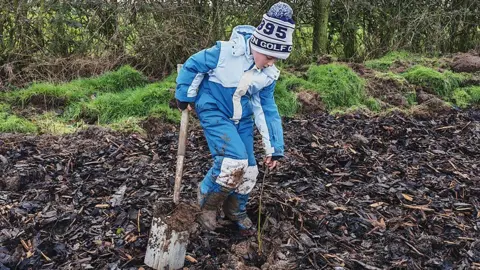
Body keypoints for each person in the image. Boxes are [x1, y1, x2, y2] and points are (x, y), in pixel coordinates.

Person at [175, 2, 295, 235]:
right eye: (270, 56)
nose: (272, 62)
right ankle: (206, 205)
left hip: (242, 119)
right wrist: (185, 95)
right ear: (259, 45)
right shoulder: (224, 52)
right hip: (214, 109)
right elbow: (193, 65)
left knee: (250, 170)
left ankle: (235, 211)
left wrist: (274, 147)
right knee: (232, 162)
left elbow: (267, 108)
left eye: (277, 59)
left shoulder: (268, 74)